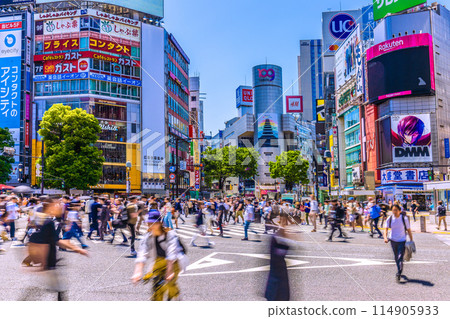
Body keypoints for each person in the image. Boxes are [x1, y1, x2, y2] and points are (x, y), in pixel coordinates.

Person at [20, 198, 88, 301]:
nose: (60, 207)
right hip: (48, 262)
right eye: (57, 206)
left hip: (48, 261)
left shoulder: (43, 220)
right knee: (56, 288)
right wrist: (78, 250)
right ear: (51, 208)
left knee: (54, 288)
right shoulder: (48, 222)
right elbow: (49, 243)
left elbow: (38, 240)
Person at [131, 209, 183, 301]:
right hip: (158, 261)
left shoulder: (170, 234)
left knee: (170, 283)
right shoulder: (147, 237)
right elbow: (142, 254)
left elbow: (172, 253)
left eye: (153, 223)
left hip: (174, 262)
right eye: (149, 223)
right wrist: (138, 272)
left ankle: (176, 297)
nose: (151, 225)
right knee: (157, 288)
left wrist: (169, 271)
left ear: (160, 223)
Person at [383, 204, 413, 282]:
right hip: (393, 240)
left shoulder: (404, 219)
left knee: (400, 257)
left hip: (402, 240)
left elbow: (409, 230)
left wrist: (411, 240)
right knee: (396, 257)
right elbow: (385, 229)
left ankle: (399, 273)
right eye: (393, 210)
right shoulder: (389, 219)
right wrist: (385, 238)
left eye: (396, 210)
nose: (395, 212)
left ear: (400, 211)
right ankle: (399, 269)